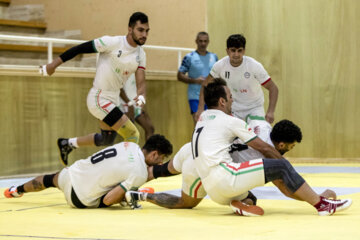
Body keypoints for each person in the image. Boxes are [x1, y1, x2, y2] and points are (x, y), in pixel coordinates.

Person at [192, 78, 351, 216]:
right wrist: (292, 170)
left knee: (252, 197)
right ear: (222, 101)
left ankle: (241, 202)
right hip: (225, 178)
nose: (233, 100)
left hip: (211, 189)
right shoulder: (233, 122)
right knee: (282, 166)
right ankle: (322, 205)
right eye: (231, 97)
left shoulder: (202, 118)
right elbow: (269, 155)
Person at [125, 120, 335, 214]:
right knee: (185, 203)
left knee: (160, 170)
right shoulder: (270, 154)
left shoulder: (261, 126)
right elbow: (287, 189)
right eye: (289, 148)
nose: (288, 151)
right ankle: (143, 196)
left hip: (193, 147)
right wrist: (318, 197)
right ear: (280, 145)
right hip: (205, 166)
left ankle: (130, 185)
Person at [40, 12, 150, 165]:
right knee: (133, 133)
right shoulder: (111, 42)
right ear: (130, 29)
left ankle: (68, 143)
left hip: (113, 99)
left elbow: (141, 81)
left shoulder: (141, 54)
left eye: (146, 31)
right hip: (99, 98)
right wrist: (53, 65)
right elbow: (78, 49)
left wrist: (141, 95)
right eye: (140, 30)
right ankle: (127, 173)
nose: (144, 34)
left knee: (106, 139)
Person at [3, 135, 173, 209]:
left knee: (48, 179)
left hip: (69, 174)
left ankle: (16, 190)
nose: (160, 163)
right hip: (80, 199)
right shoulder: (140, 172)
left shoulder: (129, 144)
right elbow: (107, 200)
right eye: (161, 158)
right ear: (154, 154)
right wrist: (126, 194)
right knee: (120, 195)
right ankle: (134, 193)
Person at [195, 34, 278, 124]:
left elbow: (273, 88)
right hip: (233, 109)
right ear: (227, 51)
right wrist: (200, 109)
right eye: (233, 50)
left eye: (239, 51)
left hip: (254, 108)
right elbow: (205, 85)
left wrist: (270, 112)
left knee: (257, 136)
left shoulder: (254, 66)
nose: (236, 54)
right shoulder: (220, 65)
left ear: (244, 51)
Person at [177, 32, 218, 123]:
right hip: (195, 96)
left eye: (205, 41)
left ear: (208, 42)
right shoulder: (189, 57)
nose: (203, 43)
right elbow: (179, 76)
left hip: (211, 97)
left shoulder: (214, 57)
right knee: (198, 123)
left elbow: (218, 75)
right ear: (196, 41)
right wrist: (195, 80)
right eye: (200, 41)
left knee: (211, 125)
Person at [119, 73, 155, 140]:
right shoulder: (122, 66)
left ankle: (147, 150)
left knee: (150, 128)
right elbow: (119, 88)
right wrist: (129, 104)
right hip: (125, 104)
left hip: (135, 103)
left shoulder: (137, 67)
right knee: (131, 133)